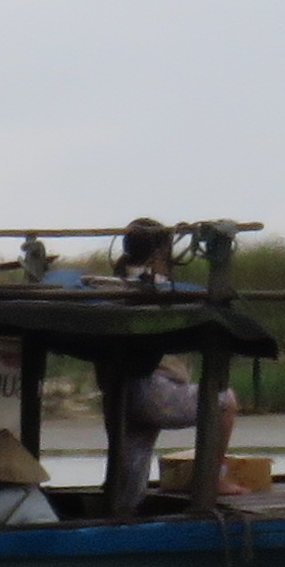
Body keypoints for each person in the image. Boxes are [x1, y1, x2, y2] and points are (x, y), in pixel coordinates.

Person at [86, 219, 230, 514]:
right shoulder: (159, 287)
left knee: (129, 481)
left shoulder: (112, 286)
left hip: (118, 391)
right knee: (227, 402)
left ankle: (119, 517)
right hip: (151, 391)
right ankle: (213, 480)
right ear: (157, 254)